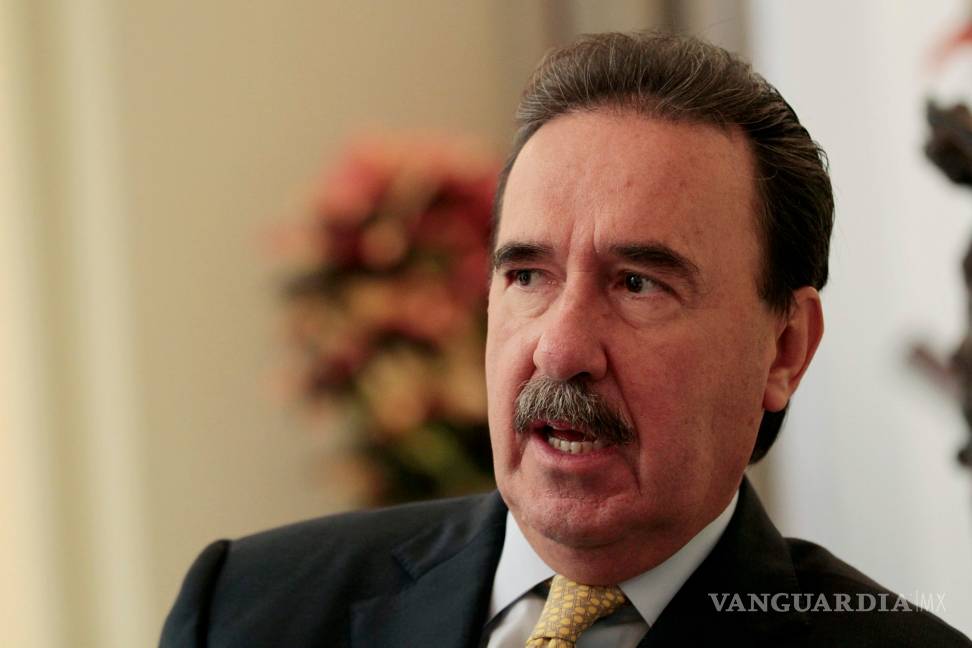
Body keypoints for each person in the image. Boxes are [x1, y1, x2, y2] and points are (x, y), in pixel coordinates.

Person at [160, 32, 971, 647]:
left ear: (785, 349)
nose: (559, 350)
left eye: (638, 283)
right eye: (527, 276)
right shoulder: (247, 607)